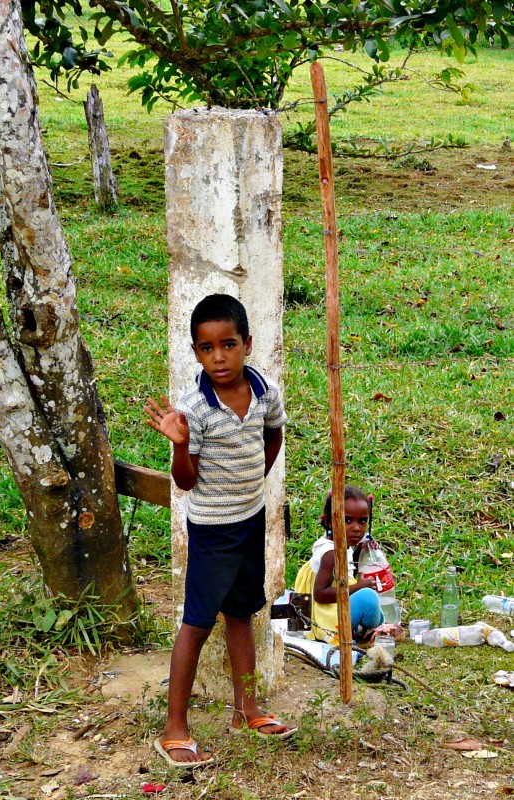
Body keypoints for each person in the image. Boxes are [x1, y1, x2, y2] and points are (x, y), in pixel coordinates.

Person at [144, 294, 297, 768]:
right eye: (207, 348)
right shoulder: (194, 408)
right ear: (196, 352)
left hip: (250, 519)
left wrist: (256, 480)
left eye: (227, 345)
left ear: (247, 344)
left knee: (242, 613)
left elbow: (273, 433)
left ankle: (245, 709)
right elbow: (186, 482)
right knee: (196, 624)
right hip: (212, 530)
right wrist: (180, 446)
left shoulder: (265, 391)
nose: (219, 357)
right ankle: (174, 728)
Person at [294, 486, 400, 645]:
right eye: (347, 520)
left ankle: (366, 626)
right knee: (368, 598)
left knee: (368, 597)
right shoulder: (330, 553)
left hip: (334, 606)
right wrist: (358, 586)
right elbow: (320, 594)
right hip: (325, 616)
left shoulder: (342, 544)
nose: (356, 528)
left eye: (362, 521)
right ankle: (368, 628)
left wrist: (359, 552)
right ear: (330, 522)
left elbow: (345, 575)